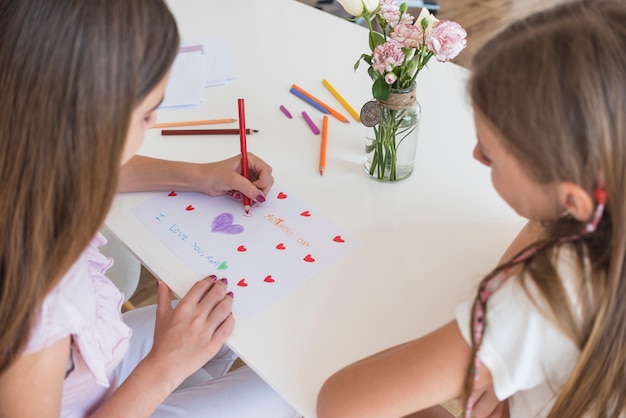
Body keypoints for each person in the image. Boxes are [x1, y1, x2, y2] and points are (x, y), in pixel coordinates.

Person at [316, 0, 626, 417]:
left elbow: (342, 403)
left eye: (492, 155)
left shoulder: (544, 296)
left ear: (574, 199)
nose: (477, 155)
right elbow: (545, 222)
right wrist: (495, 364)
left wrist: (486, 356)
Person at [0, 0, 299, 416]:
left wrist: (200, 175)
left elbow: (88, 167)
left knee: (225, 319)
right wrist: (164, 368)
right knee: (289, 393)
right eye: (145, 115)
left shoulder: (20, 149)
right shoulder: (40, 297)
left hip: (85, 372)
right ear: (89, 126)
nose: (154, 123)